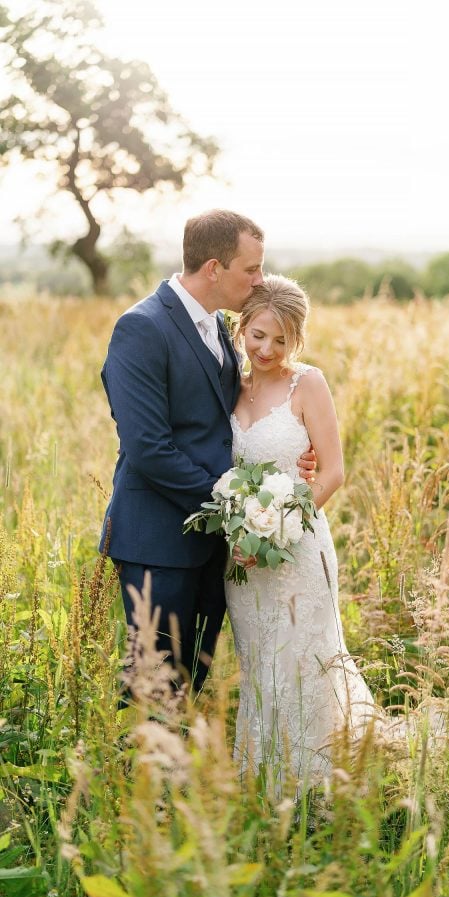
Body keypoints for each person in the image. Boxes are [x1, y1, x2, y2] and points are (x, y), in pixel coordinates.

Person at [99, 210, 315, 696]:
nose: (261, 279)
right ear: (215, 268)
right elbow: (149, 448)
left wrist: (288, 457)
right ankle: (144, 772)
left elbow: (225, 422)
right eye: (252, 269)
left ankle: (182, 771)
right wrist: (237, 506)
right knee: (153, 685)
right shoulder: (142, 328)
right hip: (157, 540)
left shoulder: (218, 325)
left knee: (191, 680)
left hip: (210, 542)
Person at [225, 274, 397, 786]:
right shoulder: (228, 383)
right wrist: (244, 533)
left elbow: (333, 473)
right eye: (258, 335)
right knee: (261, 664)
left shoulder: (308, 383)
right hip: (242, 559)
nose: (267, 349)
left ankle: (318, 781)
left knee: (305, 658)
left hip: (297, 549)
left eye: (281, 340)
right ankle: (263, 777)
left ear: (297, 339)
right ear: (242, 327)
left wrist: (276, 529)